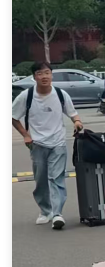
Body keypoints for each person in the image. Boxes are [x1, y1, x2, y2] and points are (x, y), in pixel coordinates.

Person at [12, 62, 84, 229]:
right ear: (34, 77)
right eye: (40, 73)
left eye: (47, 73)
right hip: (37, 144)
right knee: (41, 180)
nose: (44, 76)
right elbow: (13, 116)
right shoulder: (26, 96)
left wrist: (77, 122)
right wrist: (25, 135)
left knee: (56, 178)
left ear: (51, 75)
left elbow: (73, 113)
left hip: (58, 142)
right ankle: (46, 211)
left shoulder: (60, 94)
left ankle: (57, 214)